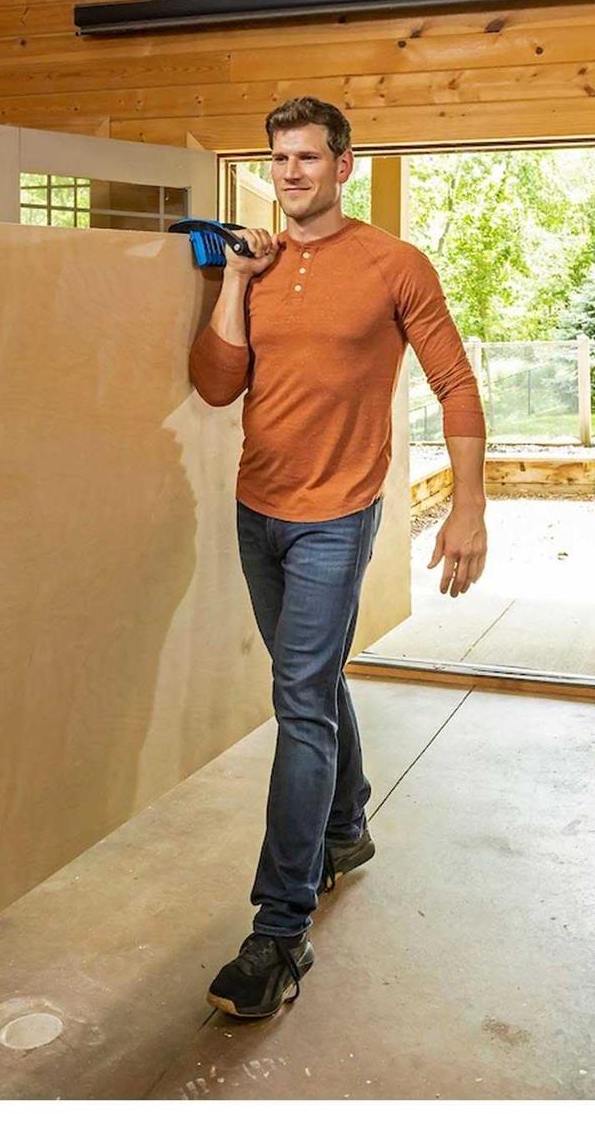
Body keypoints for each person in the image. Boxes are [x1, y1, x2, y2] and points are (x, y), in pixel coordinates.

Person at [187, 96, 488, 1018]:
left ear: (343, 165)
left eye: (308, 157)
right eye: (279, 158)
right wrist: (235, 282)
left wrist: (469, 506)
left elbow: (455, 383)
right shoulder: (258, 265)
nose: (291, 173)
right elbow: (214, 386)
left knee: (298, 702)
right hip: (257, 509)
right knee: (309, 682)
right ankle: (347, 825)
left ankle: (280, 930)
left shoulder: (394, 264)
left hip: (337, 517)